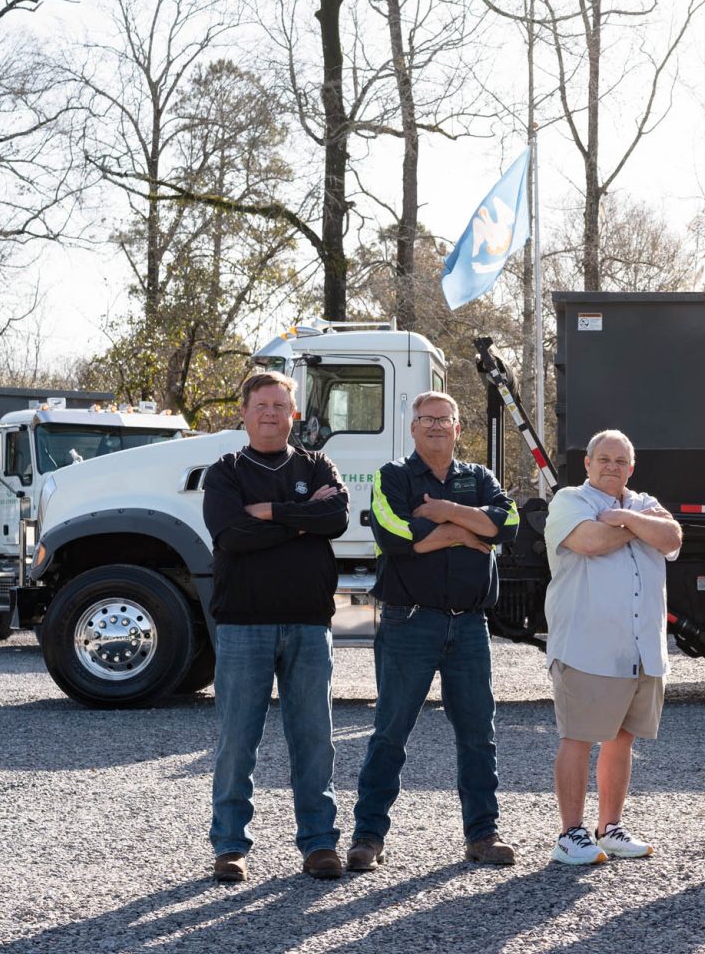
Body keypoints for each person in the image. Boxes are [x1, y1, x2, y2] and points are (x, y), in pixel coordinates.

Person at [347, 391, 521, 871]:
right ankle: (367, 838)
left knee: (477, 735)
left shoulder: (480, 477)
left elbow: (507, 524)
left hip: (469, 626)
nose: (437, 427)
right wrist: (468, 532)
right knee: (389, 732)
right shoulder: (393, 477)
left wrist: (442, 512)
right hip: (409, 622)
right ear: (413, 427)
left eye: (445, 419)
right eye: (427, 419)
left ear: (458, 428)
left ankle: (483, 835)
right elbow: (394, 534)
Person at [202, 370, 350, 882]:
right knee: (237, 741)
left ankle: (319, 844)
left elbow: (336, 519)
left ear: (295, 415)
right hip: (244, 624)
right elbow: (232, 534)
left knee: (314, 739)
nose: (270, 413)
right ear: (243, 412)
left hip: (310, 624)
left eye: (279, 405)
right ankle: (230, 846)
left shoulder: (317, 464)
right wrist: (300, 518)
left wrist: (269, 512)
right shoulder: (224, 472)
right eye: (260, 405)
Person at [542, 429, 683, 866]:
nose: (612, 467)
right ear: (587, 463)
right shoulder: (570, 501)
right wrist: (643, 527)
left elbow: (674, 538)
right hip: (588, 647)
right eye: (604, 459)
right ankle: (570, 834)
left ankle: (610, 828)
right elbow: (589, 542)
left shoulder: (639, 504)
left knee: (621, 739)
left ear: (632, 468)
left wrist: (626, 521)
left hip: (638, 648)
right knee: (578, 738)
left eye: (621, 461)